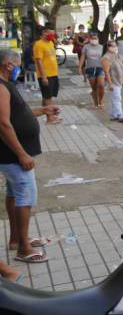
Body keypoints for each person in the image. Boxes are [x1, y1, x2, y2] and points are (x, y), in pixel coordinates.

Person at [0, 49, 59, 265]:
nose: (19, 69)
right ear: (8, 65)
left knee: (14, 194)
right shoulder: (1, 87)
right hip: (13, 156)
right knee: (25, 197)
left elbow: (18, 114)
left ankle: (17, 239)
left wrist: (43, 110)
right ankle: (24, 248)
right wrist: (22, 154)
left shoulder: (7, 85)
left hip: (13, 156)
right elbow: (4, 124)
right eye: (17, 65)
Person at [33, 26, 61, 124]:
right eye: (51, 34)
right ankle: (50, 118)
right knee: (48, 97)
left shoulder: (50, 43)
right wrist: (44, 76)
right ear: (45, 33)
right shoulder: (38, 44)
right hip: (46, 75)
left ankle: (47, 114)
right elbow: (39, 61)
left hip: (53, 73)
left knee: (47, 96)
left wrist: (54, 40)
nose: (52, 36)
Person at [101, 40, 123, 123]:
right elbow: (106, 72)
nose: (115, 47)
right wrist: (110, 83)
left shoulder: (115, 55)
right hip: (113, 81)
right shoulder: (106, 58)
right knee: (117, 98)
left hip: (119, 81)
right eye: (113, 46)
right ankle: (120, 115)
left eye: (116, 45)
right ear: (108, 47)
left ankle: (113, 115)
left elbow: (121, 64)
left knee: (113, 98)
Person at [78, 31, 105, 108]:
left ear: (98, 39)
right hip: (90, 69)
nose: (94, 39)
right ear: (89, 39)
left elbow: (105, 58)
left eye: (95, 38)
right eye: (92, 38)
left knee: (101, 85)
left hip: (100, 68)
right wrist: (79, 67)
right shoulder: (86, 47)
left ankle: (101, 101)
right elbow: (83, 57)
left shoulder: (101, 47)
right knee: (94, 88)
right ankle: (96, 103)